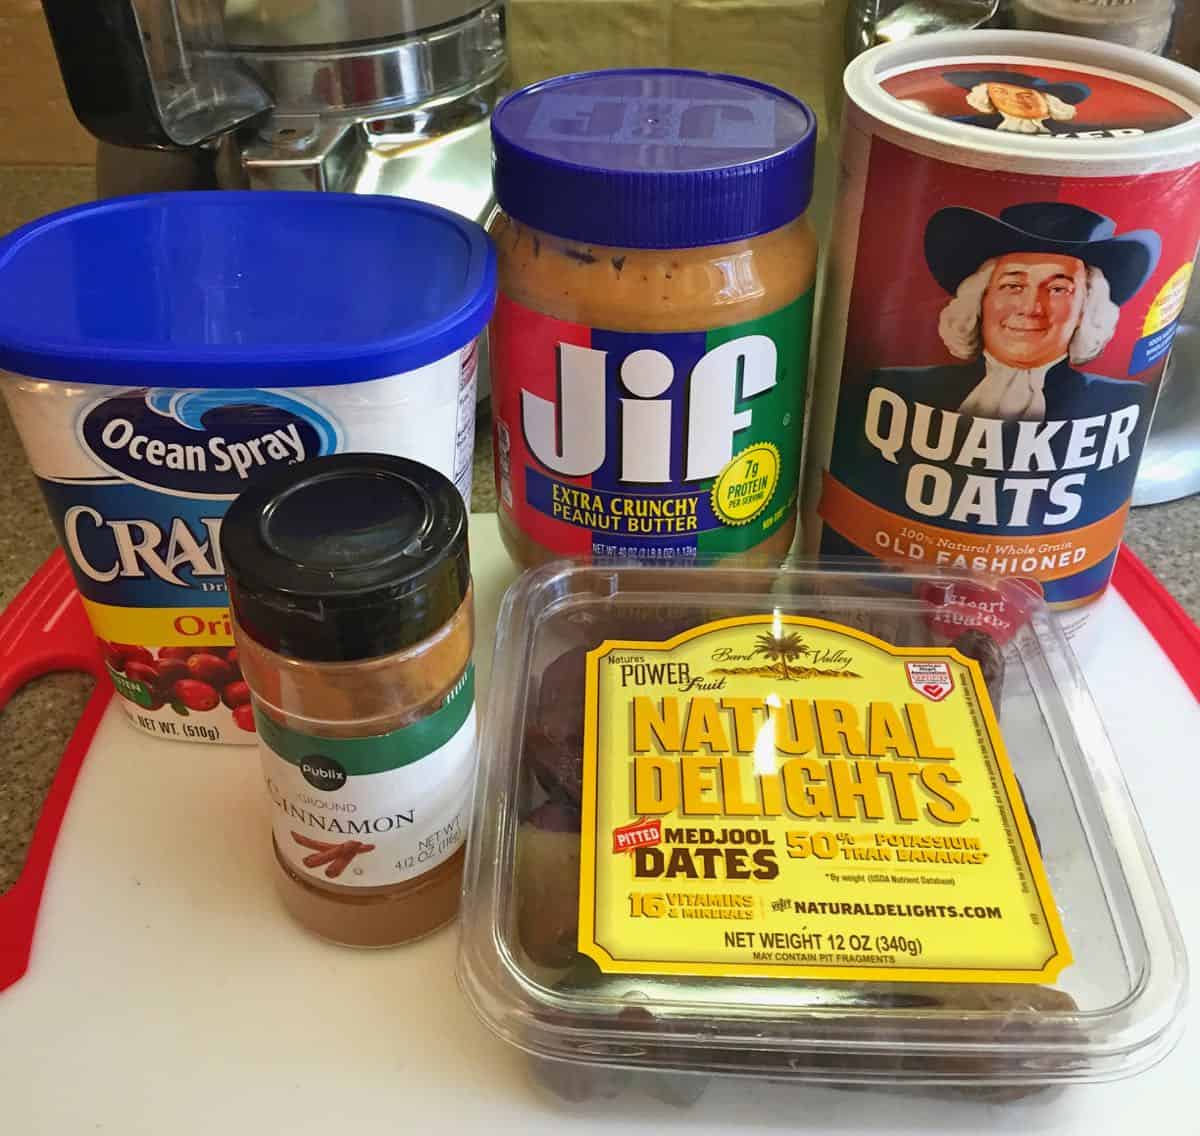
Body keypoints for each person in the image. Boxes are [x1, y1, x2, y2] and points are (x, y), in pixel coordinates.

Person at [871, 202, 1161, 422]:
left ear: (1087, 308)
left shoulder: (1122, 402)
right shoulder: (893, 389)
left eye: (1058, 289)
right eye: (1012, 285)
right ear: (981, 299)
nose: (1030, 308)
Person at [941, 70, 1091, 134]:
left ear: (1049, 101)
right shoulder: (963, 125)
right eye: (1000, 93)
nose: (1014, 100)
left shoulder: (1081, 135)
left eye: (1026, 95)